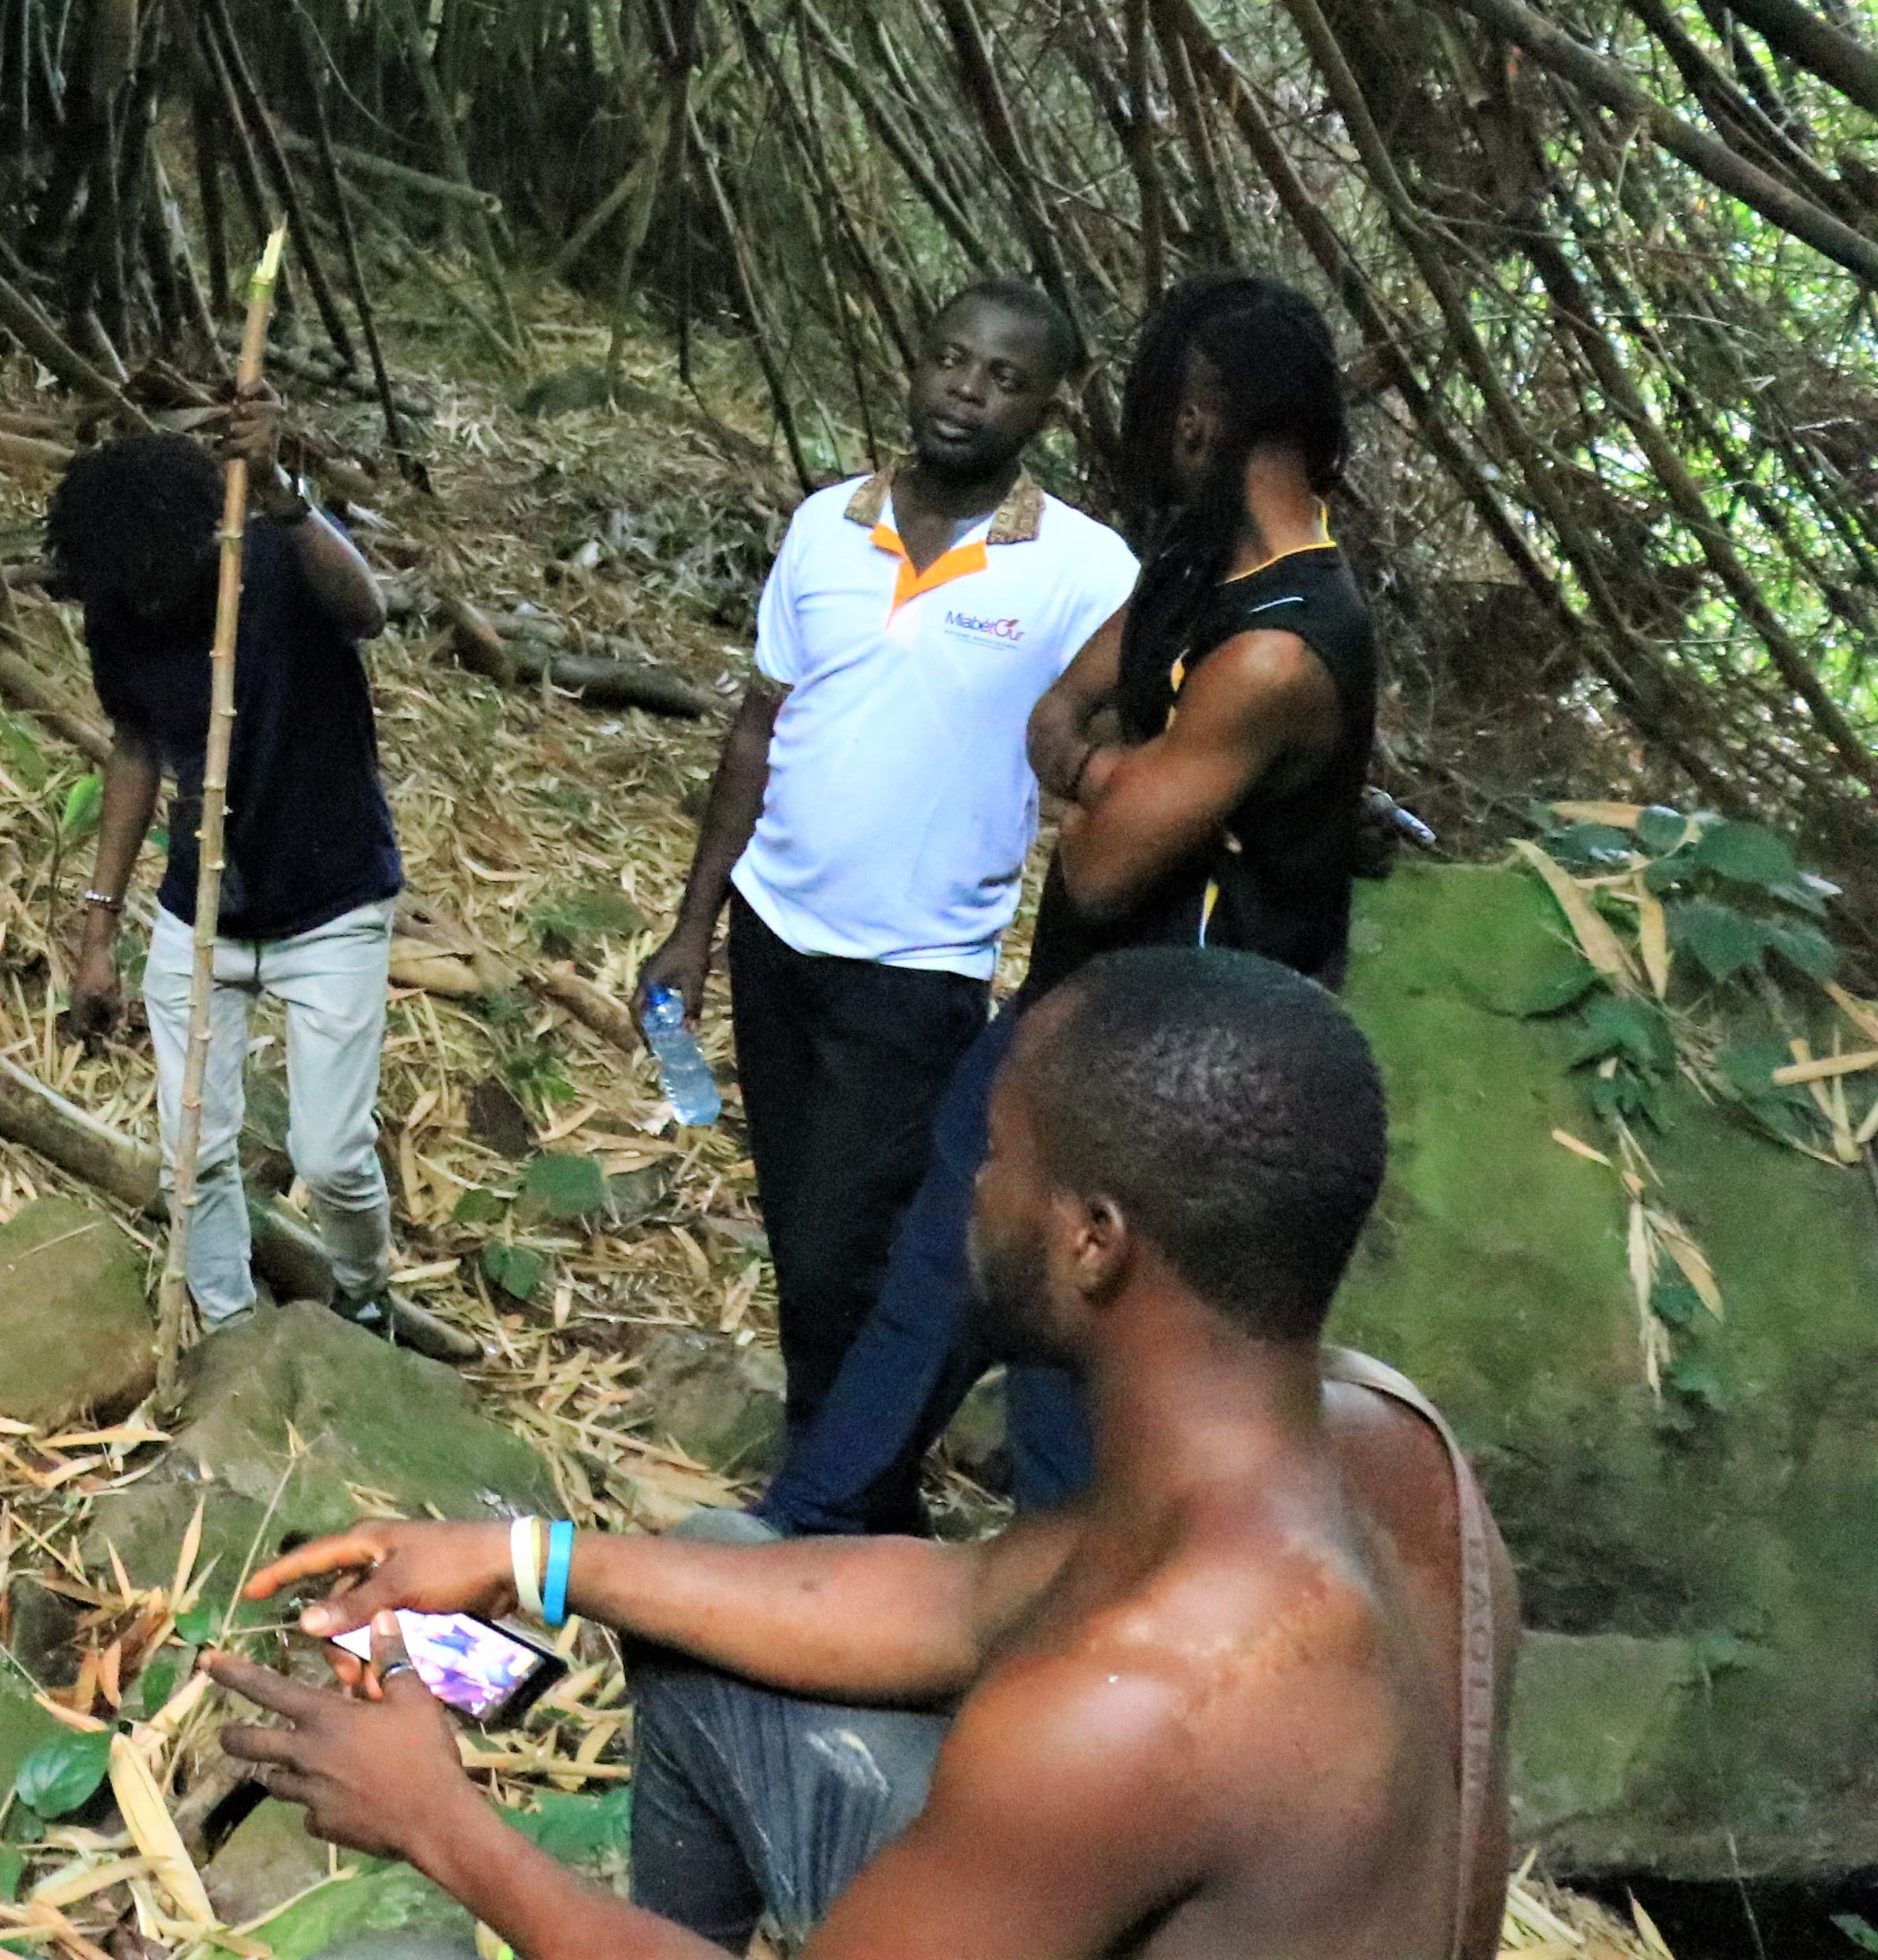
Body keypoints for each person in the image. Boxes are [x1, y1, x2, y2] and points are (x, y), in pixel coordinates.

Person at [207, 944, 1515, 1960]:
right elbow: (963, 1599)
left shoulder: (1134, 1707)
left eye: (995, 1157)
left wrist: (441, 1822)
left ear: (1095, 1240)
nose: (971, 1195)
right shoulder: (1371, 1442)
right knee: (714, 1570)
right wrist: (528, 1557)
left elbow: (1097, 1686)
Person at [760, 272, 1374, 1538]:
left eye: (1167, 417)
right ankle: (821, 1521)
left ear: (1204, 419)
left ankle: (1027, 1581)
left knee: (1072, 1333)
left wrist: (1112, 786)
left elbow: (1100, 866)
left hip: (1188, 1057)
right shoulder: (1201, 571)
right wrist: (1121, 778)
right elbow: (1063, 720)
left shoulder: (1282, 642)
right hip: (1086, 1008)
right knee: (951, 1255)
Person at [637, 282, 1129, 1444]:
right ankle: (840, 1489)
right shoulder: (825, 526)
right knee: (805, 1227)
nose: (967, 389)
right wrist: (695, 923)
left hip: (918, 964)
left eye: (1004, 377)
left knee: (842, 1247)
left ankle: (840, 1497)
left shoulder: (1084, 570)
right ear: (915, 365)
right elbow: (759, 728)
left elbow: (1127, 743)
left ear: (1047, 408)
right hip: (774, 929)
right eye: (950, 359)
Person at [42, 407, 407, 1338]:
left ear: (202, 538)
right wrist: (98, 933)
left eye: (164, 577)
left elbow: (366, 611)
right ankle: (232, 1334)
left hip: (330, 901)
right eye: (131, 586)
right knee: (191, 1153)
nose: (149, 600)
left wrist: (287, 495)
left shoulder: (275, 556)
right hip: (201, 911)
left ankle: (365, 1298)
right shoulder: (116, 607)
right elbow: (134, 749)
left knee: (330, 1156)